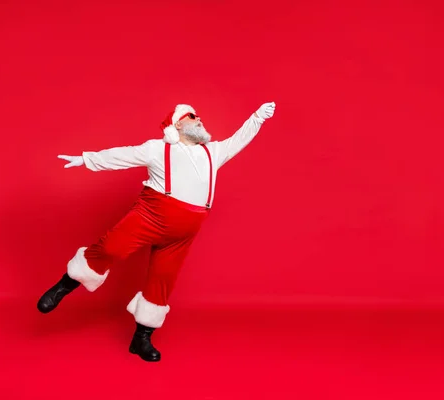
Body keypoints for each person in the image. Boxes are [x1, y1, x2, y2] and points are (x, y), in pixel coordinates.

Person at [36, 101, 276, 362]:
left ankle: (142, 339)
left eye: (198, 116)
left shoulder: (213, 152)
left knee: (162, 282)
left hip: (181, 236)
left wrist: (257, 117)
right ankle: (64, 286)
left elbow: (240, 139)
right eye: (192, 116)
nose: (199, 119)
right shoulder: (158, 149)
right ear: (177, 125)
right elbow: (122, 155)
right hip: (149, 217)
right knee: (110, 247)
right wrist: (87, 158)